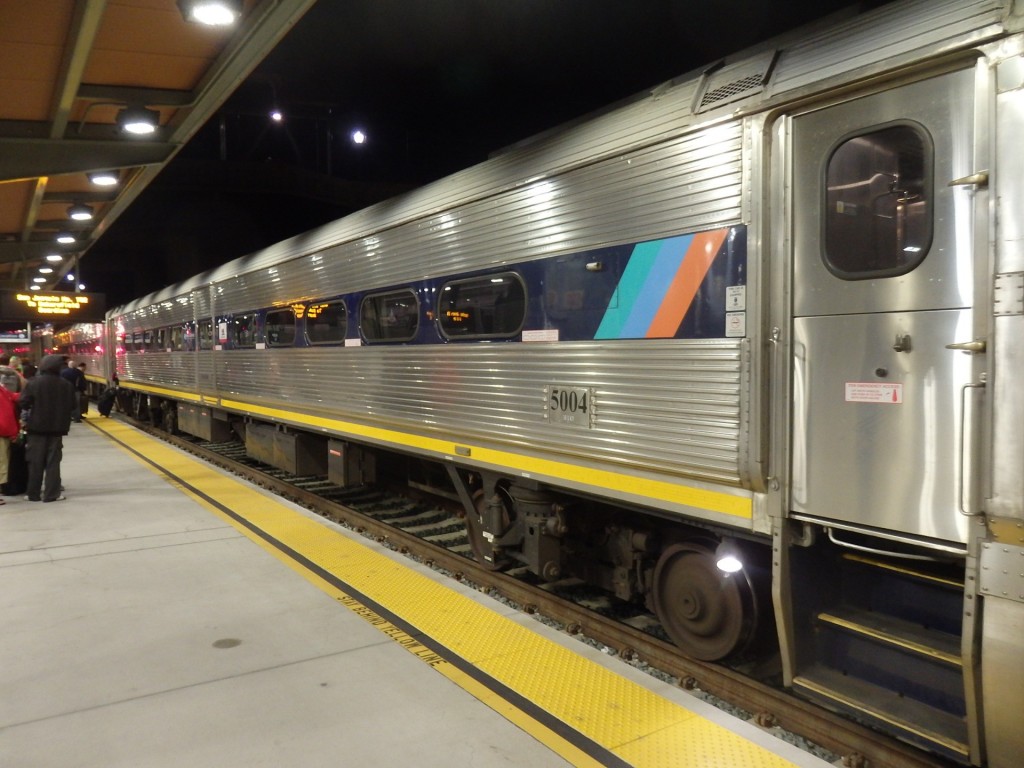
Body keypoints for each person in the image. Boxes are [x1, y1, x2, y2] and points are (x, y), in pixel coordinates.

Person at [19, 354, 75, 503]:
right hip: (57, 430)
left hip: (36, 429)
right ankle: (51, 494)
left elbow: (23, 403)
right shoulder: (66, 385)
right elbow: (73, 406)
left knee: (35, 462)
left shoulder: (33, 383)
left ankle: (33, 494)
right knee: (53, 462)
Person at [0, 367, 21, 504]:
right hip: (2, 432)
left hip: (4, 433)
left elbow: (14, 396)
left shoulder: (2, 390)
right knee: (1, 463)